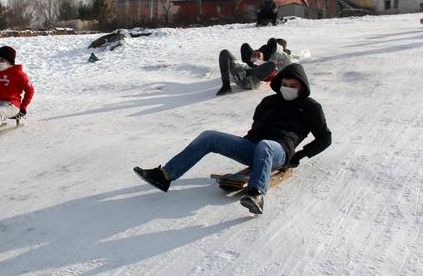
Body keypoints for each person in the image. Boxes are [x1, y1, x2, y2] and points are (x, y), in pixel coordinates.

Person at [134, 63, 331, 214]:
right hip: (253, 146)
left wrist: (299, 156)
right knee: (209, 136)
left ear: (302, 87)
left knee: (265, 146)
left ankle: (256, 194)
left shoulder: (310, 107)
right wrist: (245, 144)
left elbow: (325, 138)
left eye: (293, 86)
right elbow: (257, 123)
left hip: (279, 151)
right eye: (285, 84)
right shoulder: (268, 101)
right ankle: (165, 176)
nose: (288, 88)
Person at [217, 40, 292, 95]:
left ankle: (245, 73)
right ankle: (226, 85)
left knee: (272, 64)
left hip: (253, 79)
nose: (255, 56)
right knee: (225, 52)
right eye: (253, 55)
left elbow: (275, 67)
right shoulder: (245, 64)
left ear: (263, 58)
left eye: (258, 55)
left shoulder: (266, 64)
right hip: (239, 73)